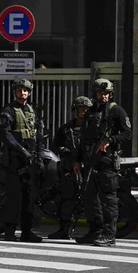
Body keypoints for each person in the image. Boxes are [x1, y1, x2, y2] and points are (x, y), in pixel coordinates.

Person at [74, 78, 132, 246]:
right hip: (90, 163)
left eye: (107, 93)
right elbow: (83, 139)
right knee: (90, 200)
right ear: (95, 94)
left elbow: (127, 134)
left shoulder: (117, 111)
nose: (104, 96)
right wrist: (78, 160)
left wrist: (110, 140)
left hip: (106, 163)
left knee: (109, 201)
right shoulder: (90, 112)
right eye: (101, 93)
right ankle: (95, 232)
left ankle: (109, 235)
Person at [0, 78, 43, 242]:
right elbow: (5, 134)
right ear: (15, 92)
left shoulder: (32, 110)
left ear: (29, 92)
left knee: (29, 196)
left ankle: (26, 231)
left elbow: (37, 134)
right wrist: (21, 150)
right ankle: (9, 232)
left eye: (25, 90)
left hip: (30, 159)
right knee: (14, 196)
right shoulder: (8, 110)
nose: (22, 93)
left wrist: (38, 154)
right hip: (14, 159)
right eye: (19, 90)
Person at [48, 96, 92, 239]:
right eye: (81, 109)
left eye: (86, 109)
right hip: (68, 169)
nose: (84, 112)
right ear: (76, 110)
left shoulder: (93, 128)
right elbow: (55, 145)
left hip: (88, 169)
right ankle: (64, 230)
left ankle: (94, 230)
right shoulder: (67, 128)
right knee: (67, 199)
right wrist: (64, 151)